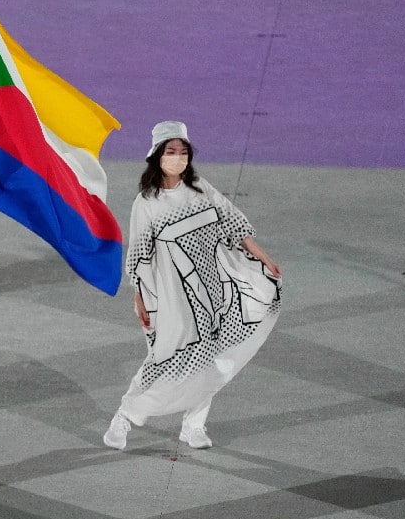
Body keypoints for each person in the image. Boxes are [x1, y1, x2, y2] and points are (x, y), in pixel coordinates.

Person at [104, 120, 281, 450]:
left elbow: (232, 221)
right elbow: (139, 255)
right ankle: (124, 418)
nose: (179, 158)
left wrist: (264, 257)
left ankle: (194, 426)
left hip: (213, 291)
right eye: (171, 151)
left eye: (183, 152)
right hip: (170, 298)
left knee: (210, 357)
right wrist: (140, 298)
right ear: (157, 155)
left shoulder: (199, 188)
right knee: (162, 359)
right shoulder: (147, 203)